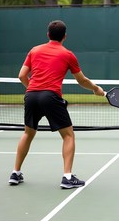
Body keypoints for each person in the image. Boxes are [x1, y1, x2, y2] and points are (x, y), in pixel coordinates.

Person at [8, 20, 105, 189]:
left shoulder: (34, 50)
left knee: (28, 133)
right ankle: (67, 177)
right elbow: (81, 80)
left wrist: (33, 89)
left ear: (48, 35)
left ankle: (15, 173)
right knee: (68, 135)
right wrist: (96, 89)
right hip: (50, 96)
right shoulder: (67, 54)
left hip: (30, 96)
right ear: (65, 36)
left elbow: (22, 75)